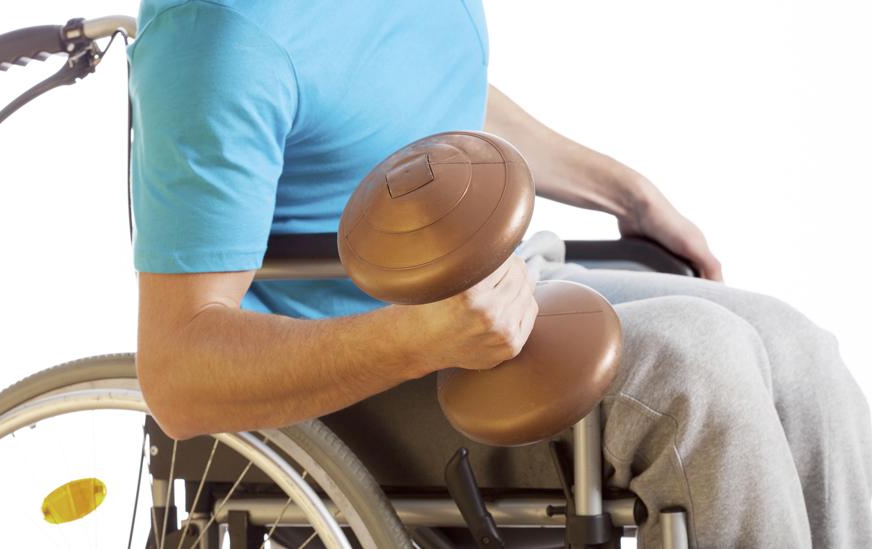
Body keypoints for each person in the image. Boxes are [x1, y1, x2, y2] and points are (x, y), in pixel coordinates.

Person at [128, 0, 872, 546]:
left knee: (795, 346)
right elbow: (179, 373)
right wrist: (419, 339)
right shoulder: (221, 35)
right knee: (697, 364)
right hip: (367, 373)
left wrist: (626, 191)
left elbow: (424, 104)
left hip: (490, 289)